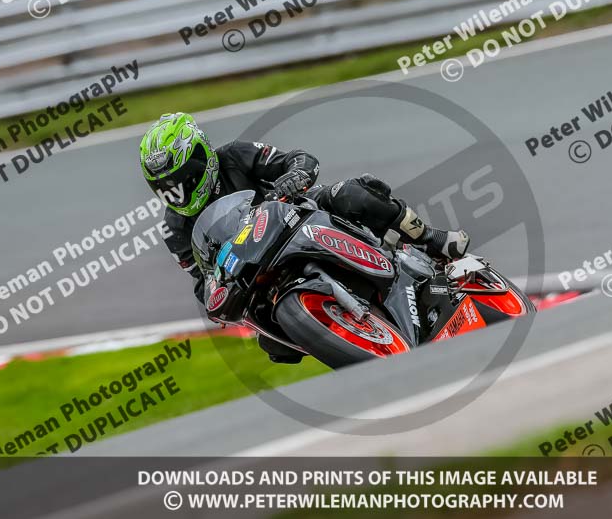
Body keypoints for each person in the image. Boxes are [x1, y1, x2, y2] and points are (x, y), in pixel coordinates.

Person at [140, 112, 469, 363]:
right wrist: (215, 290)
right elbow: (201, 282)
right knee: (274, 346)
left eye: (184, 179)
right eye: (167, 187)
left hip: (297, 214)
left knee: (351, 194)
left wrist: (294, 176)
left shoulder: (234, 156)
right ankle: (347, 337)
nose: (178, 193)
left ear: (202, 156)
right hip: (255, 272)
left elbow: (297, 159)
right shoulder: (176, 228)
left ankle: (430, 239)